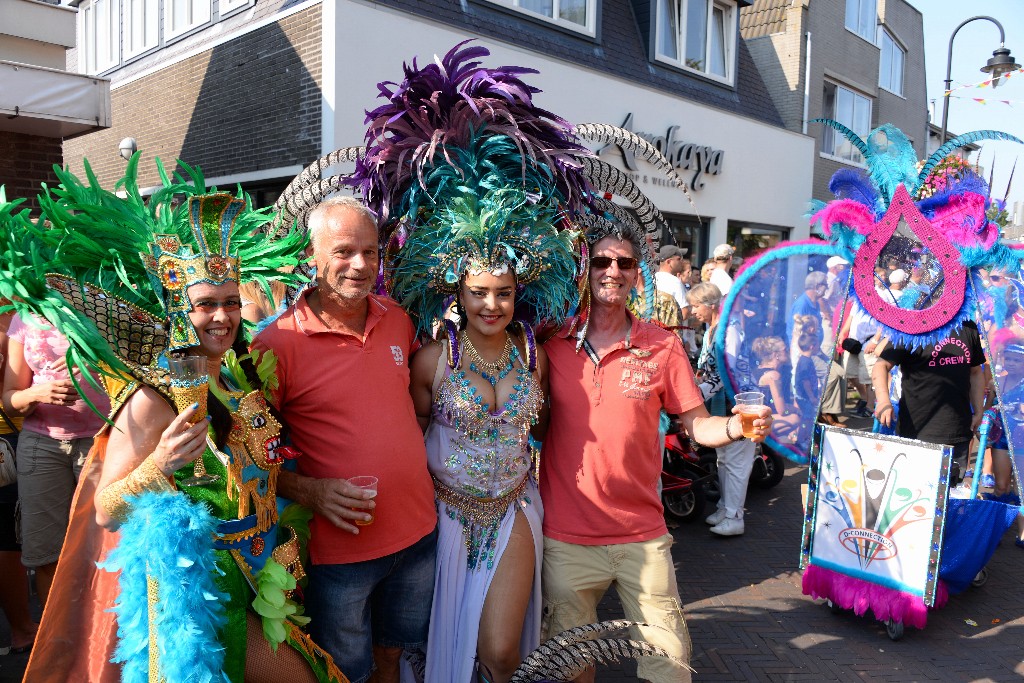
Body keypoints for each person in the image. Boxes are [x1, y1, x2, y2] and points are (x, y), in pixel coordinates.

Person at [12, 173, 342, 681]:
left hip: (265, 579)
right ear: (178, 310)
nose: (222, 316)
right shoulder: (153, 396)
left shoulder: (235, 376)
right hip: (201, 596)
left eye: (231, 302)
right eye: (205, 304)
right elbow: (104, 510)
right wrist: (161, 465)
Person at [540, 228, 772, 683]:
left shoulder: (661, 345)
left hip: (642, 536)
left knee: (668, 663)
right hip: (567, 536)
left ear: (637, 274)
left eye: (624, 263)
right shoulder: (552, 342)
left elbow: (696, 424)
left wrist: (735, 426)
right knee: (571, 665)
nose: (613, 272)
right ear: (585, 269)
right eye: (602, 261)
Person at [253, 197, 437, 683]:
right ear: (311, 255)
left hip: (419, 534)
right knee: (344, 672)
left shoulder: (397, 318)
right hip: (342, 555)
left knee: (393, 657)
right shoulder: (276, 343)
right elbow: (248, 454)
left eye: (371, 252)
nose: (360, 265)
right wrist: (310, 491)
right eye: (343, 252)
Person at [2, 311, 110, 609]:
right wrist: (37, 393)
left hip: (103, 440)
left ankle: (101, 639)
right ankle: (58, 642)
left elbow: (138, 368)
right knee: (46, 553)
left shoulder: (98, 307)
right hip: (42, 445)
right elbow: (10, 400)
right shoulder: (22, 320)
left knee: (107, 547)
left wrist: (94, 360)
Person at [873, 321, 986, 482]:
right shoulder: (913, 327)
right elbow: (881, 365)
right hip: (918, 431)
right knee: (914, 492)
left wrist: (978, 410)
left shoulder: (967, 326)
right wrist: (884, 401)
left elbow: (975, 372)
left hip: (959, 430)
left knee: (950, 496)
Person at [687, 282, 755, 537]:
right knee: (724, 459)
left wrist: (698, 392)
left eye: (696, 305)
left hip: (738, 404)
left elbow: (729, 373)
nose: (693, 311)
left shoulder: (729, 331)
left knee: (737, 462)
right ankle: (725, 508)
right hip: (722, 403)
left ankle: (735, 517)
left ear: (710, 305)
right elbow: (709, 370)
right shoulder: (712, 330)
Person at [0, 305, 36, 655]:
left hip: (32, 438)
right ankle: (23, 629)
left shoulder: (26, 310)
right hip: (6, 447)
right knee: (8, 541)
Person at [654, 245, 688, 311]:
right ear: (669, 262)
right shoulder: (674, 282)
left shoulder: (652, 279)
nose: (682, 261)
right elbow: (684, 311)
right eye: (679, 259)